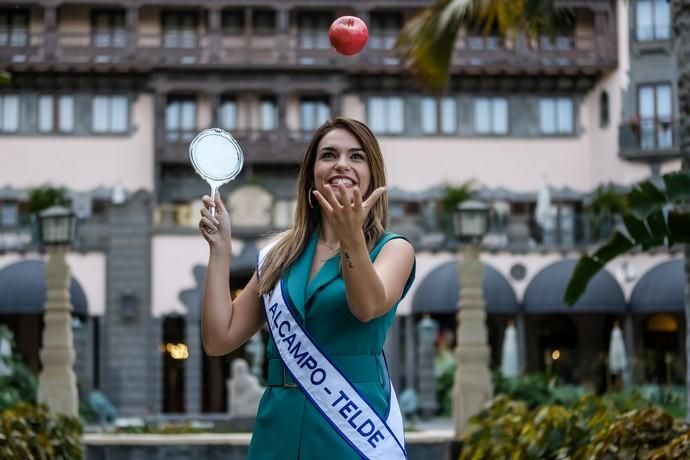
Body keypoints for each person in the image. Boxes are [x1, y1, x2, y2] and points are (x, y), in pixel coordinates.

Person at [198, 117, 416, 459]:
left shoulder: (393, 249)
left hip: (351, 428)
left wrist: (351, 238)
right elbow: (218, 339)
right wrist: (220, 250)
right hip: (277, 428)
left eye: (356, 156)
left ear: (372, 173)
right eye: (328, 155)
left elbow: (366, 307)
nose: (341, 164)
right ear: (312, 172)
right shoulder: (279, 254)